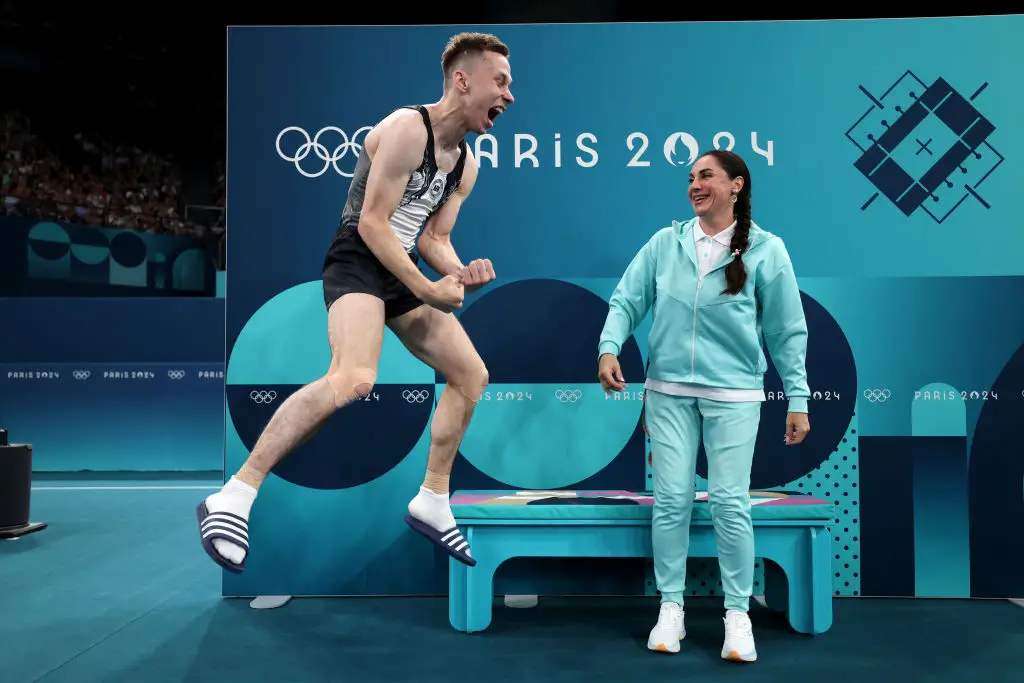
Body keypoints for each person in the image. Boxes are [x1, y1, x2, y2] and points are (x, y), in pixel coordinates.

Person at [196, 32, 514, 573]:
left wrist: (459, 274)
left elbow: (433, 239)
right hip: (359, 258)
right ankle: (235, 494)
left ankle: (433, 497)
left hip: (404, 263)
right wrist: (428, 289)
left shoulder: (466, 166)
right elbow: (371, 223)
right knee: (353, 379)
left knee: (471, 374)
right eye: (501, 82)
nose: (508, 97)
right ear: (463, 80)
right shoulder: (405, 128)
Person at [596, 149, 810, 663]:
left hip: (735, 395)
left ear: (736, 185)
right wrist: (609, 346)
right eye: (690, 177)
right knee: (672, 501)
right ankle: (672, 607)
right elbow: (627, 299)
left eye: (706, 176)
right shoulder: (665, 244)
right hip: (668, 391)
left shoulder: (766, 249)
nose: (694, 185)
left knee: (730, 503)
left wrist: (797, 397)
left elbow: (786, 330)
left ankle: (738, 615)